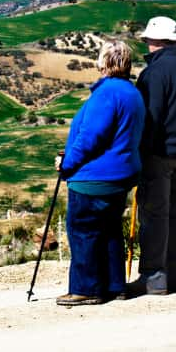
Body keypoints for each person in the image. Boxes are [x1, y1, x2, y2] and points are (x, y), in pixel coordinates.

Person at [56, 40, 145, 306]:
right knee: (109, 230)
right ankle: (115, 285)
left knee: (83, 230)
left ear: (103, 62)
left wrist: (67, 163)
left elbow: (90, 137)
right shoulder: (132, 93)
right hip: (121, 175)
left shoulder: (106, 94)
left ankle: (86, 289)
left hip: (93, 178)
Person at [130, 15, 176, 296]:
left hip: (157, 154)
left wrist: (139, 154)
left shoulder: (154, 73)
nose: (146, 45)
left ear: (155, 41)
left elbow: (149, 118)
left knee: (155, 215)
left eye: (148, 40)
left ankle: (153, 276)